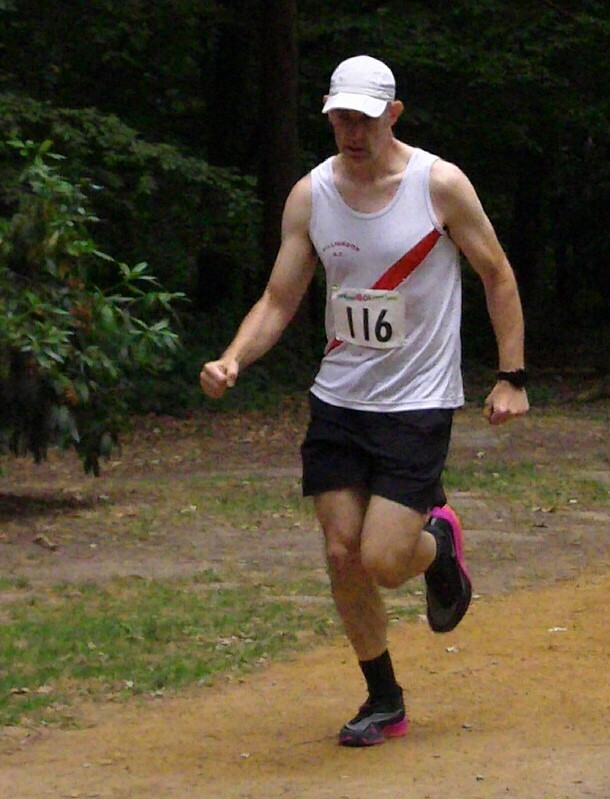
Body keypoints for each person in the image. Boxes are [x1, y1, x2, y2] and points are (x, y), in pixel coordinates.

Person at [199, 54, 529, 746]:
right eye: (340, 119)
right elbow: (279, 299)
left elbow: (497, 274)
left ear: (394, 115)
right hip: (339, 401)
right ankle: (383, 697)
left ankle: (438, 546)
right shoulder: (312, 195)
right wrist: (233, 358)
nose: (352, 132)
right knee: (341, 552)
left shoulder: (439, 185)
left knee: (383, 559)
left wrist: (512, 375)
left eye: (365, 119)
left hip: (417, 402)